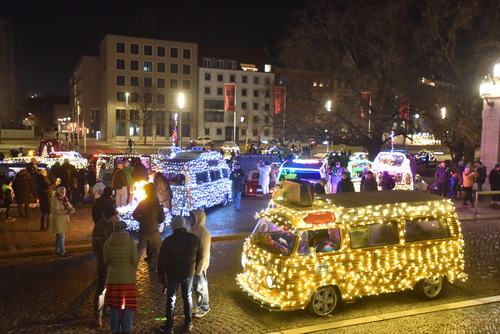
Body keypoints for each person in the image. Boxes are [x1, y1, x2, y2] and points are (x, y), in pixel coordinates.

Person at [157, 216, 202, 333]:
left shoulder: (168, 241)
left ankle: (169, 325)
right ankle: (188, 323)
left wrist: (161, 274)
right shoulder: (194, 238)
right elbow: (200, 255)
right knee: (187, 297)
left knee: (171, 298)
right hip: (188, 272)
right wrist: (193, 267)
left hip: (173, 274)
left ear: (173, 226)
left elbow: (162, 260)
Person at [103, 221, 139, 334]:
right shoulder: (130, 243)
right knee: (127, 305)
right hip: (128, 280)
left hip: (113, 279)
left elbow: (106, 260)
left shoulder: (107, 243)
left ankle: (114, 329)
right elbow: (135, 261)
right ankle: (126, 329)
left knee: (114, 306)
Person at [92, 205, 120, 328]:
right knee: (101, 289)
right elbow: (97, 247)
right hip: (104, 264)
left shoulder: (115, 225)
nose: (117, 217)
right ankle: (98, 314)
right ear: (110, 217)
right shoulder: (99, 228)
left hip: (115, 263)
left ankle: (107, 308)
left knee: (112, 288)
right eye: (115, 215)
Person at [132, 183, 164, 262]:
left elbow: (134, 214)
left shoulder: (142, 203)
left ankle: (133, 267)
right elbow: (162, 219)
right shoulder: (158, 206)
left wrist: (141, 220)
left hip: (143, 230)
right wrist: (156, 221)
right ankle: (158, 267)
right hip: (154, 231)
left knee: (139, 250)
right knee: (158, 249)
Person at [189, 210, 211, 318]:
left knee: (201, 286)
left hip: (200, 265)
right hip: (192, 264)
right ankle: (199, 304)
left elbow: (204, 252)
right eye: (190, 217)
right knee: (195, 286)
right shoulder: (191, 231)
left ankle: (204, 306)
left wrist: (199, 268)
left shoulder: (204, 233)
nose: (191, 220)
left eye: (193, 218)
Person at [50, 186, 75, 257]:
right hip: (58, 220)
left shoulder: (64, 199)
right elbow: (56, 211)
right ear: (58, 192)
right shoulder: (56, 200)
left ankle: (57, 250)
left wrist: (72, 209)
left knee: (59, 236)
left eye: (64, 191)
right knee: (61, 236)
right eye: (61, 191)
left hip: (62, 220)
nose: (63, 193)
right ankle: (62, 251)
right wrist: (67, 211)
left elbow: (69, 207)